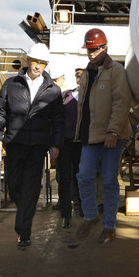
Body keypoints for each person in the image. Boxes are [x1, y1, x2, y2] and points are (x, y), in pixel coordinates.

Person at [0, 43, 64, 247]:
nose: (38, 66)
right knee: (14, 185)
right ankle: (24, 213)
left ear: (45, 65)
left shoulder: (53, 91)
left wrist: (55, 144)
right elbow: (0, 112)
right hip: (14, 143)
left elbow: (57, 120)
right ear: (27, 61)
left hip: (37, 146)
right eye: (35, 61)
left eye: (42, 63)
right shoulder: (11, 85)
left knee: (31, 187)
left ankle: (24, 232)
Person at [75, 28, 132, 243]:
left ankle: (109, 225)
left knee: (109, 180)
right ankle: (91, 216)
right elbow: (83, 106)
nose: (91, 53)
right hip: (89, 135)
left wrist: (113, 131)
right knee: (84, 176)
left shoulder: (116, 71)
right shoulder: (86, 73)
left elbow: (122, 102)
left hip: (111, 136)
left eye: (95, 49)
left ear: (105, 48)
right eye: (88, 49)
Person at [49, 65, 84, 228]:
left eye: (83, 76)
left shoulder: (92, 98)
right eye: (77, 76)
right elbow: (56, 120)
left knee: (82, 177)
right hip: (64, 144)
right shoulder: (66, 95)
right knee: (64, 178)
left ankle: (83, 208)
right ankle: (65, 213)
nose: (79, 78)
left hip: (82, 144)